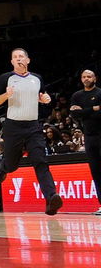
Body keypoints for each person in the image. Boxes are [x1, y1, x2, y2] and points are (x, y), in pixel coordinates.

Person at [0, 47, 62, 215]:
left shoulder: (37, 78)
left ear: (28, 60)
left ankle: (51, 199)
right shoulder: (5, 78)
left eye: (21, 56)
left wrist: (45, 98)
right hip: (13, 126)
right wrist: (5, 96)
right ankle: (3, 168)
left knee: (40, 162)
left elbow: (42, 95)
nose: (18, 59)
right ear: (12, 62)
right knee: (12, 165)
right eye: (15, 57)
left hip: (33, 127)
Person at [68, 68, 101, 215]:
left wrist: (84, 111)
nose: (86, 79)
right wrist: (93, 109)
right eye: (84, 77)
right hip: (89, 136)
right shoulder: (77, 95)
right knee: (96, 172)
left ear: (95, 78)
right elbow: (74, 113)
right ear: (81, 79)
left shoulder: (100, 93)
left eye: (89, 76)